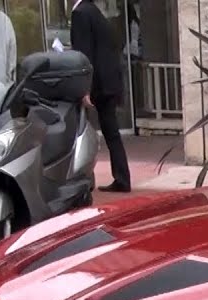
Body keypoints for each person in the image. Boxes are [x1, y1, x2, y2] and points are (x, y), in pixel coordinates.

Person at [71, 0, 131, 192]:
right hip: (108, 81)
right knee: (111, 133)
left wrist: (84, 89)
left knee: (80, 130)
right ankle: (122, 178)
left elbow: (84, 53)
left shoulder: (80, 13)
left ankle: (83, 179)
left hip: (98, 83)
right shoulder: (94, 12)